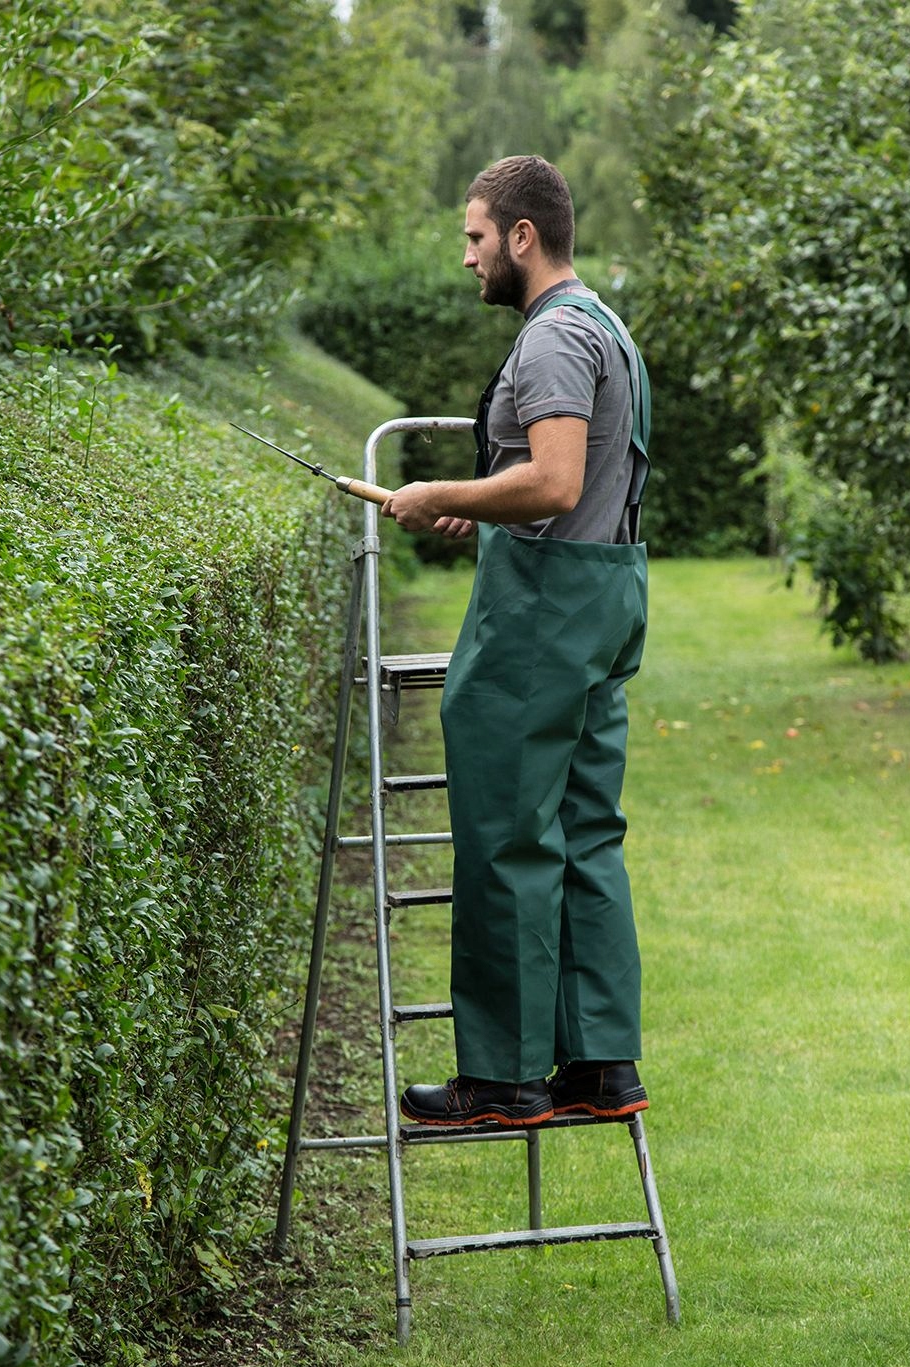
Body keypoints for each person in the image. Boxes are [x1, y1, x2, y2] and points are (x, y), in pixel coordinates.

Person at [380, 155, 652, 1129]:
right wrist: (479, 513)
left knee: (504, 836)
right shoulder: (606, 330)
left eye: (473, 237)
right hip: (603, 600)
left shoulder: (546, 343)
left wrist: (436, 495)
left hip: (540, 617)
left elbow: (551, 483)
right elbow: (559, 491)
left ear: (520, 237)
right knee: (584, 837)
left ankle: (500, 1077)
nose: (466, 258)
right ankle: (598, 1065)